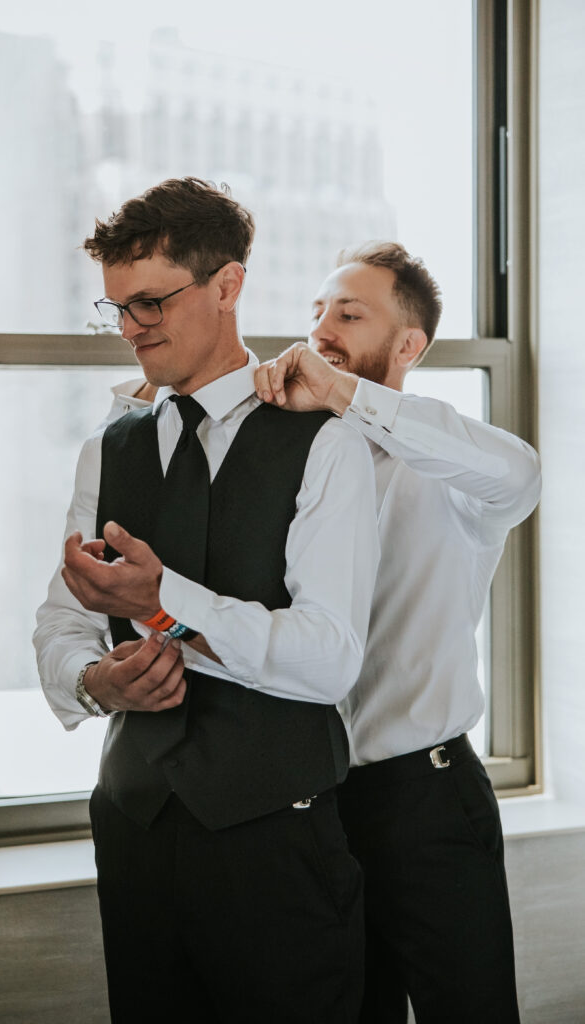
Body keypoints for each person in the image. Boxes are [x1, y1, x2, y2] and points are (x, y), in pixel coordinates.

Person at [33, 178, 380, 1023]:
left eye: (149, 302)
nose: (130, 329)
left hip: (275, 838)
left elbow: (330, 656)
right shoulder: (105, 449)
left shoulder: (328, 446)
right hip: (133, 826)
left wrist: (164, 607)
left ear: (227, 286)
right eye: (115, 308)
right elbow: (62, 622)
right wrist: (93, 683)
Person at [253, 241, 541, 1024]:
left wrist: (344, 391)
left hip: (426, 802)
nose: (320, 329)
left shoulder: (455, 474)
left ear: (408, 345)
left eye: (348, 313)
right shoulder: (293, 469)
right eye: (315, 312)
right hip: (310, 806)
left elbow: (521, 475)